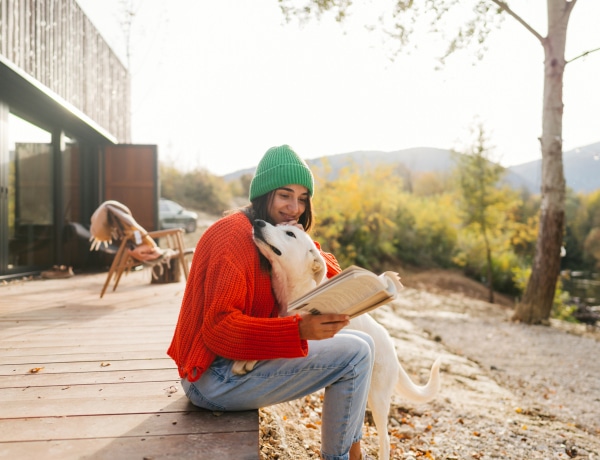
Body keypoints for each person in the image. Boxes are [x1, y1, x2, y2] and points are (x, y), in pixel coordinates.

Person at [167, 145, 375, 460]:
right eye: (285, 195)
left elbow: (313, 257)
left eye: (303, 198)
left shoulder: (264, 229)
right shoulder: (233, 238)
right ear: (264, 195)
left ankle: (351, 453)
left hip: (236, 366)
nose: (295, 207)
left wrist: (344, 279)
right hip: (212, 378)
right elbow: (218, 330)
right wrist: (299, 331)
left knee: (363, 341)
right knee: (355, 354)